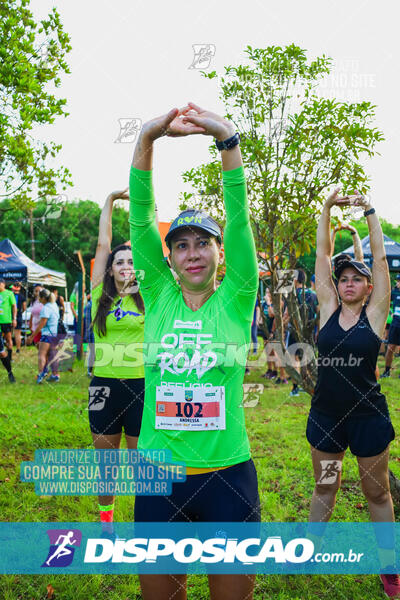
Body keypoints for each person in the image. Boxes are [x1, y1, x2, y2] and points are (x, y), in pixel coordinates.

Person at [130, 103, 261, 600]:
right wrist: (147, 137)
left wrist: (227, 140)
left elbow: (240, 218)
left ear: (218, 251)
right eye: (180, 245)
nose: (192, 253)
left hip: (228, 474)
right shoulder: (159, 295)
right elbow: (141, 220)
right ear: (170, 258)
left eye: (202, 243)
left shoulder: (237, 295)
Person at [307, 187, 399, 597]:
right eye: (342, 278)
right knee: (326, 484)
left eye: (355, 279)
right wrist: (326, 209)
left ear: (367, 288)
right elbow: (322, 257)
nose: (347, 283)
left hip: (367, 421)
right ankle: (310, 551)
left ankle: (390, 568)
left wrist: (370, 213)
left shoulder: (376, 314)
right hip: (327, 419)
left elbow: (380, 260)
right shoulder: (327, 307)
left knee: (375, 491)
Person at [90, 189, 145, 537]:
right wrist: (109, 202)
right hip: (103, 387)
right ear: (110, 270)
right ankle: (107, 524)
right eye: (119, 262)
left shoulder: (150, 299)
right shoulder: (100, 294)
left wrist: (145, 207)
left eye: (130, 261)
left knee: (141, 467)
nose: (125, 265)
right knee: (106, 466)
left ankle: (145, 522)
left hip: (141, 387)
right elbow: (102, 244)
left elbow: (147, 241)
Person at [27, 288, 60, 383]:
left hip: (47, 334)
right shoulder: (54, 305)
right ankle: (55, 375)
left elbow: (42, 325)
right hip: (54, 334)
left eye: (39, 298)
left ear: (43, 298)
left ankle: (40, 375)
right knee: (52, 355)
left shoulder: (45, 308)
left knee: (41, 354)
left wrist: (32, 336)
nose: (38, 300)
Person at [381, 274, 400, 378]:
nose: (397, 283)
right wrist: (390, 312)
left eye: (399, 281)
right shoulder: (394, 292)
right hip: (395, 323)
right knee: (390, 348)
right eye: (397, 281)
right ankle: (387, 371)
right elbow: (385, 303)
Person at [0, 278, 17, 361]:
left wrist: (14, 319)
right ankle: (2, 355)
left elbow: (14, 306)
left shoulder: (9, 293)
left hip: (6, 321)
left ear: (3, 284)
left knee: (8, 339)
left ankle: (9, 358)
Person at [11, 282, 26, 354]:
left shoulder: (10, 295)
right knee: (18, 334)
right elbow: (24, 308)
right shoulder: (22, 296)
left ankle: (8, 348)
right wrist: (20, 312)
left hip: (10, 316)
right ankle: (18, 349)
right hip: (19, 316)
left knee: (8, 333)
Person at [83, 292, 95, 377]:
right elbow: (88, 323)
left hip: (98, 332)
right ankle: (89, 371)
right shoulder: (89, 306)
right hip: (93, 333)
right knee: (93, 352)